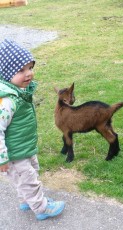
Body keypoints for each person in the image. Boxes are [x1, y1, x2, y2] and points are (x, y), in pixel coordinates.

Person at [0, 39, 65, 220]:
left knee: (28, 175)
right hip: (15, 154)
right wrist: (2, 157)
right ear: (6, 73)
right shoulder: (8, 102)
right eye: (21, 70)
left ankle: (26, 201)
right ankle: (42, 208)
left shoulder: (19, 93)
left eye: (30, 67)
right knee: (30, 180)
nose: (28, 74)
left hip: (24, 147)